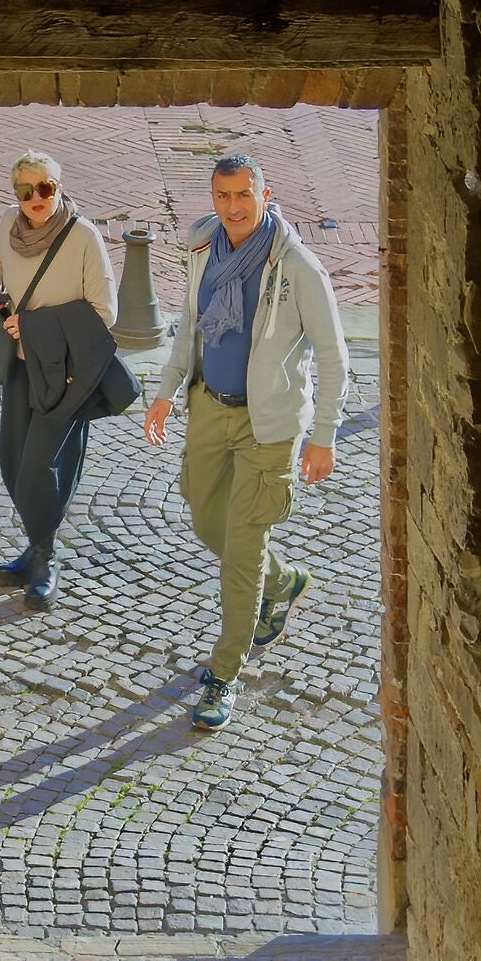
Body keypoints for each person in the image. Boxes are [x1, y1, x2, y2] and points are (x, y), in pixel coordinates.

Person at [142, 153, 347, 728]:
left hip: (269, 428)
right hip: (209, 408)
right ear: (213, 198)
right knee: (208, 522)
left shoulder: (298, 267)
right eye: (223, 196)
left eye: (243, 196)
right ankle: (284, 582)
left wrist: (323, 436)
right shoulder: (204, 248)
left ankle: (223, 675)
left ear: (265, 193)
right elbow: (190, 325)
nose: (233, 208)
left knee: (241, 551)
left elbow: (333, 357)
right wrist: (165, 390)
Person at [0, 150, 115, 608]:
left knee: (44, 466)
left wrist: (33, 325)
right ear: (14, 193)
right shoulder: (7, 226)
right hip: (21, 367)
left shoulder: (83, 237)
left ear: (59, 187)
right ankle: (34, 548)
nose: (36, 197)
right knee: (14, 463)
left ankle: (46, 558)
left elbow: (104, 313)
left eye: (46, 187)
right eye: (25, 190)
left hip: (68, 375)